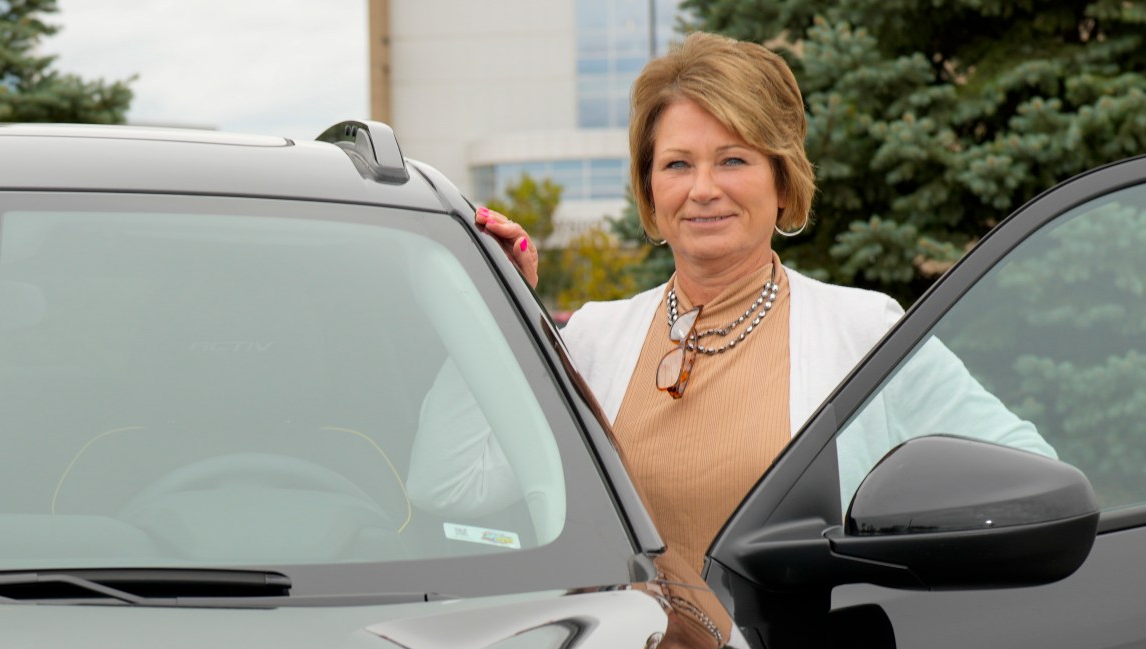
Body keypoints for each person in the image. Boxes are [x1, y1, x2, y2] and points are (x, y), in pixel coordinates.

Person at [425, 32, 1051, 587]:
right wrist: (493, 310)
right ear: (650, 190)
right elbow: (448, 488)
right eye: (676, 164)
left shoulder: (865, 336)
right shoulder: (592, 337)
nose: (703, 189)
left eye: (733, 159)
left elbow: (1034, 482)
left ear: (782, 180)